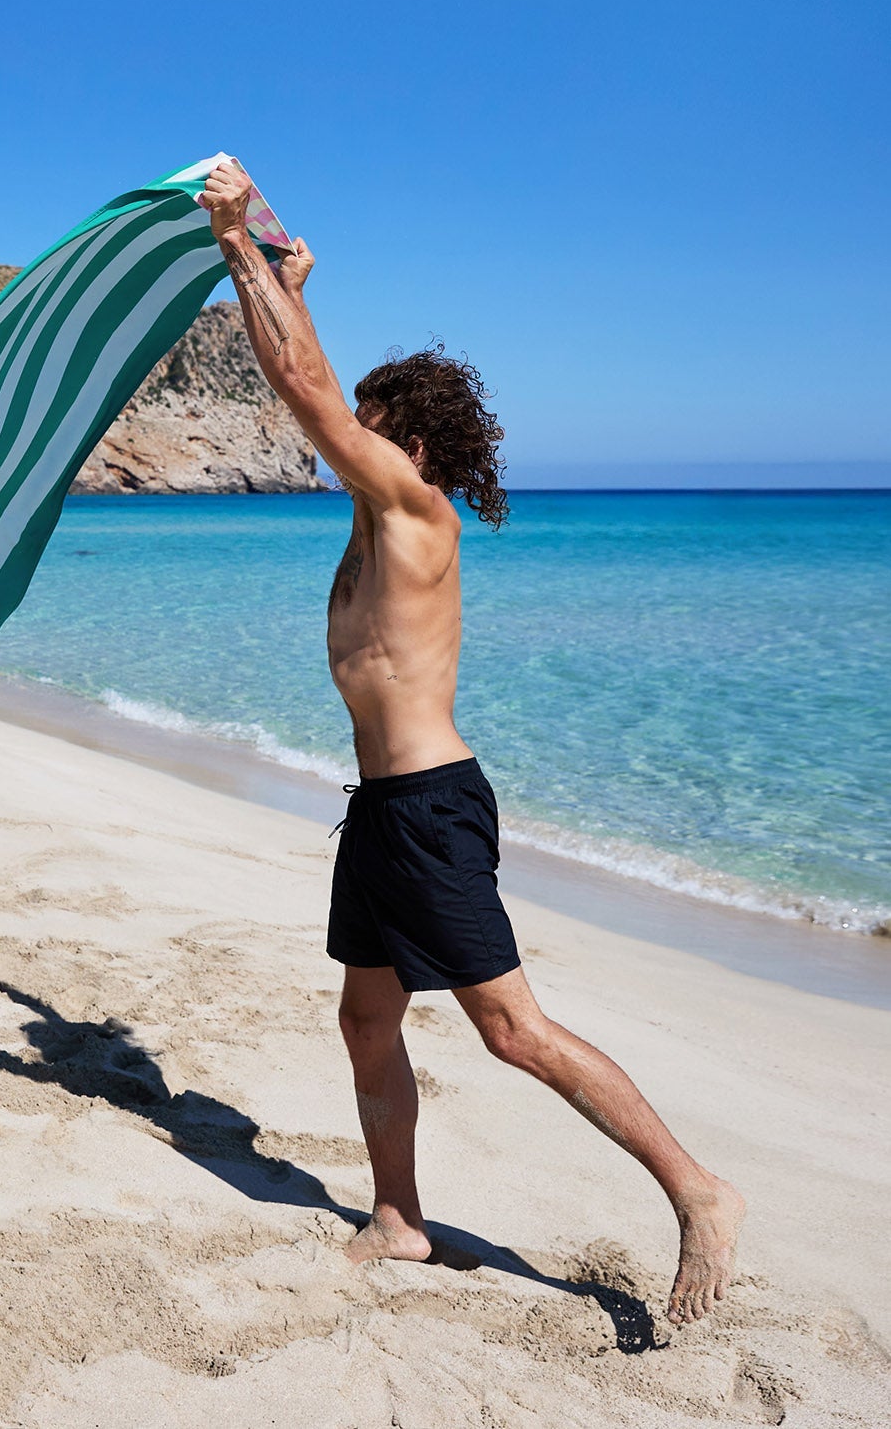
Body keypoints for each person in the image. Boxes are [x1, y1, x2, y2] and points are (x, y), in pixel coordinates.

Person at [199, 159, 745, 1327]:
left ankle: (698, 1191)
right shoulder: (380, 508)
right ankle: (400, 1219)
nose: (345, 440)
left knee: (511, 1031)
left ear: (408, 444)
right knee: (367, 1018)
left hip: (431, 808)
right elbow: (322, 388)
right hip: (383, 812)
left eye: (369, 427)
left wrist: (236, 244)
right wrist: (293, 287)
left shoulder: (413, 509)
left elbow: (307, 393)